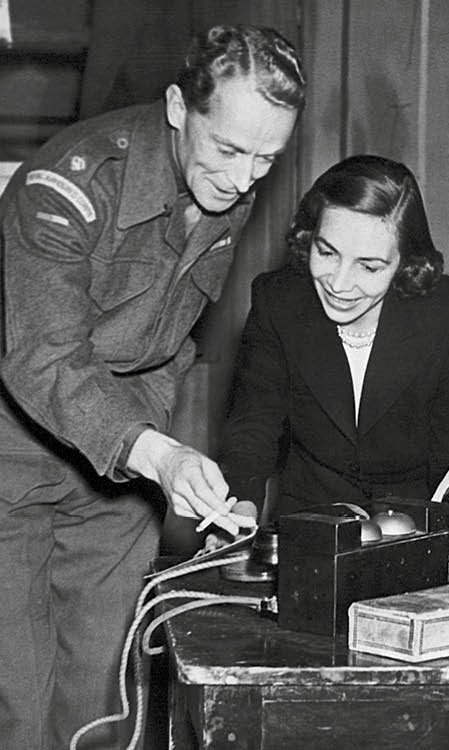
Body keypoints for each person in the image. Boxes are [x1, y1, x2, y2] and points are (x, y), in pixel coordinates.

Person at [0, 24, 304, 750]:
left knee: (103, 700)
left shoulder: (228, 193)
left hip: (119, 478)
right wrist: (158, 453)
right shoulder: (65, 187)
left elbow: (177, 336)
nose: (240, 180)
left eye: (266, 159)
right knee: (18, 698)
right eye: (228, 149)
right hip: (11, 457)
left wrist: (160, 454)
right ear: (177, 107)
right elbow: (42, 357)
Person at [217, 155, 449, 522]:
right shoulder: (277, 302)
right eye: (327, 252)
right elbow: (253, 427)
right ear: (308, 238)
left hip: (415, 527)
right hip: (308, 523)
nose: (339, 284)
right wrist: (238, 510)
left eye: (369, 266)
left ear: (405, 263)